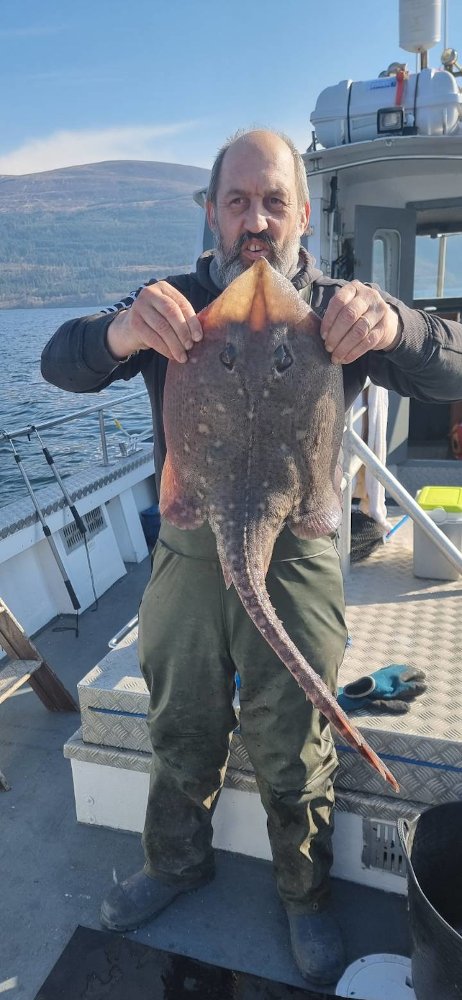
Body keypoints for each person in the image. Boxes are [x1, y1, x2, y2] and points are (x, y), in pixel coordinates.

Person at [41, 128, 462, 988]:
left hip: (299, 551)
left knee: (292, 735)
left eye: (275, 202)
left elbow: (451, 370)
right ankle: (174, 863)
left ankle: (303, 892)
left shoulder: (341, 310)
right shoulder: (174, 303)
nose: (257, 221)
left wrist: (403, 323)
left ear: (303, 214)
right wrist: (121, 333)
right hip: (190, 552)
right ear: (211, 213)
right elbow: (59, 362)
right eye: (238, 202)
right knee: (181, 722)